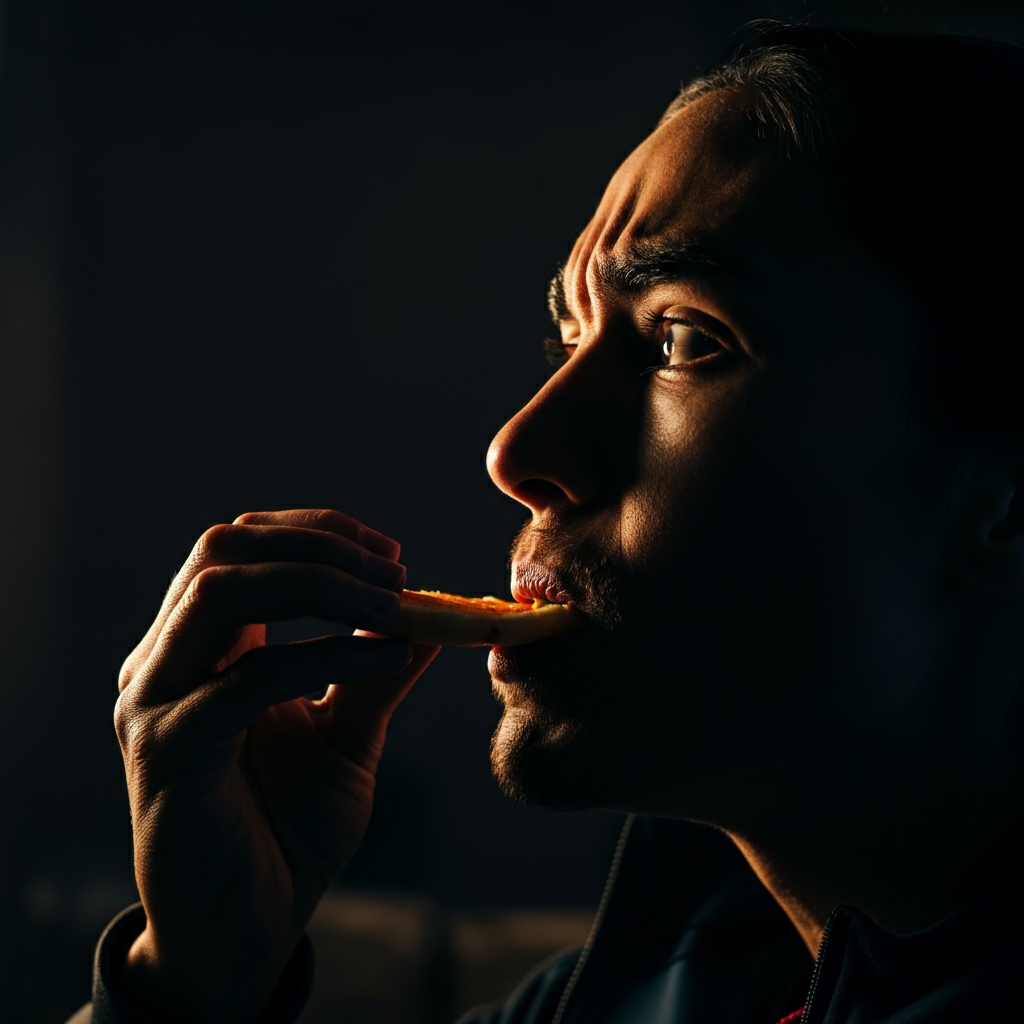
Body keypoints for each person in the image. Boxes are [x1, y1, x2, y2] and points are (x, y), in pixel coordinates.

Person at [68, 22, 1022, 1024]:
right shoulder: (631, 994)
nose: (516, 452)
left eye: (681, 338)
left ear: (1003, 511)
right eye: (569, 335)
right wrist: (195, 976)